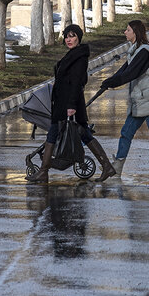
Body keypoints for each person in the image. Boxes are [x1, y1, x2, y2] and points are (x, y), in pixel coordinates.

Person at [26, 24, 117, 184]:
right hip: (66, 102)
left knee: (53, 134)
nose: (69, 39)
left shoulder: (79, 58)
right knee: (85, 135)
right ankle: (107, 166)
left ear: (79, 38)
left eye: (72, 36)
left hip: (68, 104)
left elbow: (76, 83)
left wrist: (71, 106)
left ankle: (43, 171)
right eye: (67, 36)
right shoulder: (73, 55)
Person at [98, 19, 149, 179]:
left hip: (148, 100)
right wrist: (109, 81)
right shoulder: (135, 50)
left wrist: (114, 82)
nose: (125, 32)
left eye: (127, 30)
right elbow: (124, 69)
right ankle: (117, 167)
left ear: (135, 32)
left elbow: (131, 73)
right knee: (126, 132)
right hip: (140, 101)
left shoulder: (144, 52)